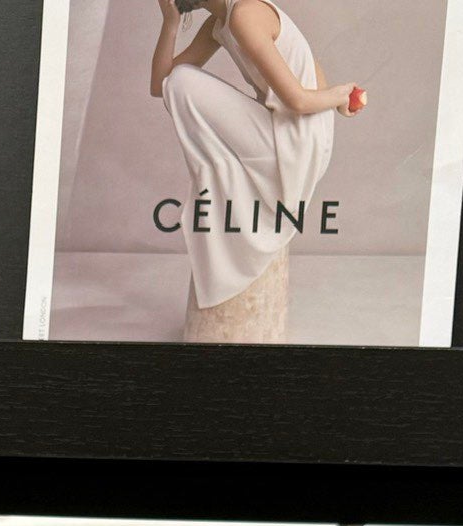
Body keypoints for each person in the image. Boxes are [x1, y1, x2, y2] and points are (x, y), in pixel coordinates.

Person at [151, 0, 365, 329]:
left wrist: (340, 96)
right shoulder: (219, 24)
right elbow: (159, 86)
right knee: (177, 81)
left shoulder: (244, 14)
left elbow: (298, 99)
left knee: (182, 81)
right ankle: (222, 170)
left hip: (296, 142)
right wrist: (170, 23)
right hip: (285, 131)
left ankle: (222, 170)